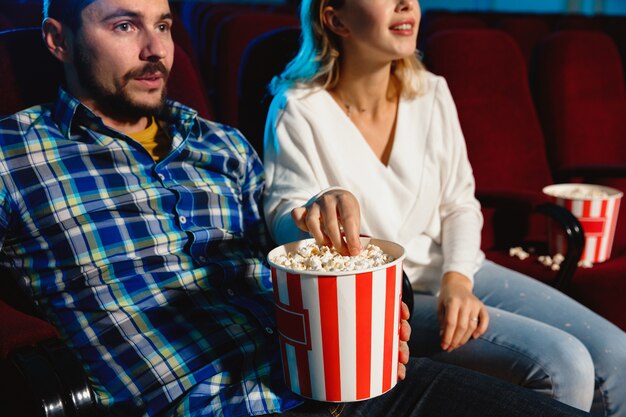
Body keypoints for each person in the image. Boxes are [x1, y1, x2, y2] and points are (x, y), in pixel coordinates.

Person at [0, 0, 595, 416]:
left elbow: (281, 233)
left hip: (342, 378)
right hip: (211, 401)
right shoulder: (14, 154)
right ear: (57, 40)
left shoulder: (220, 142)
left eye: (164, 24)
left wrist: (317, 213)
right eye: (125, 26)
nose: (157, 49)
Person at [262, 0, 626, 416]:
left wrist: (458, 280)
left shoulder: (432, 92)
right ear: (334, 18)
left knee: (618, 356)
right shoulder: (297, 109)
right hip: (383, 296)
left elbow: (460, 203)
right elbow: (284, 214)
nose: (406, 4)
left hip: (456, 267)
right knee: (563, 365)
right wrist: (312, 212)